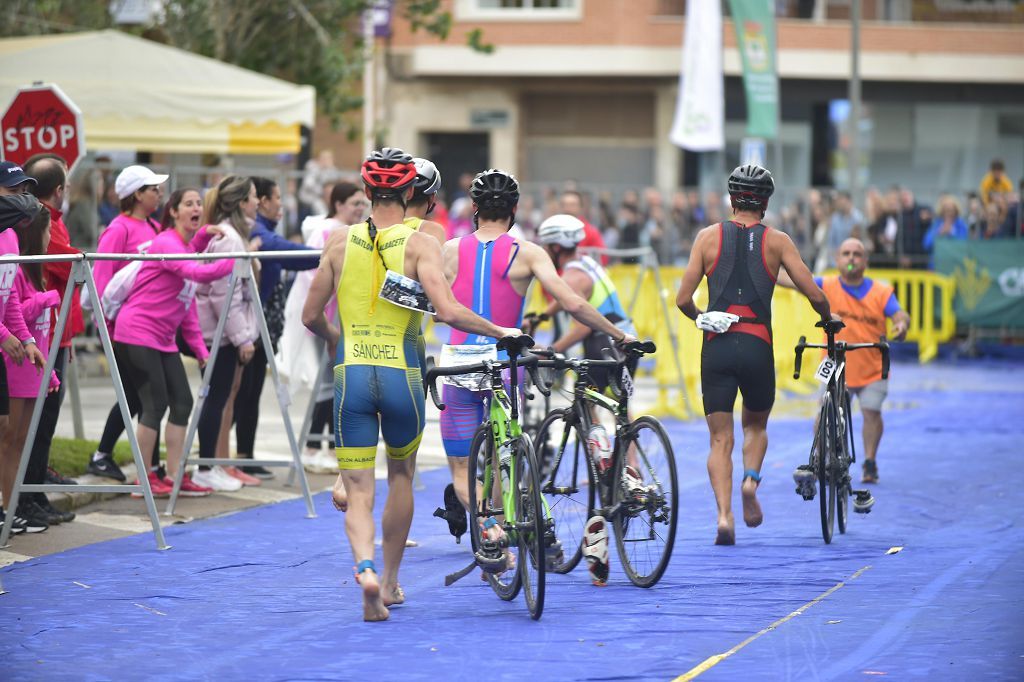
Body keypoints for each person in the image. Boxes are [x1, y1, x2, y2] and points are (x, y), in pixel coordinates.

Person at [301, 148, 521, 622]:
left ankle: (366, 571)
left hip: (352, 374)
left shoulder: (339, 241)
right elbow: (448, 311)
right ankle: (394, 582)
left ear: (365, 192)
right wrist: (501, 331)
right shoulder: (423, 243)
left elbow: (309, 316)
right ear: (408, 192)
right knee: (401, 476)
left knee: (357, 490)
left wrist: (340, 341)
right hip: (403, 374)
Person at [439, 171, 636, 584]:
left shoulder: (450, 249)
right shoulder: (527, 253)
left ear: (473, 209)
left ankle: (490, 531)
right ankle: (520, 531)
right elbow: (572, 302)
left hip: (459, 363)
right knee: (503, 456)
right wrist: (620, 334)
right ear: (513, 210)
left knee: (463, 467)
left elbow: (427, 302)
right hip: (505, 363)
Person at [674, 164, 832, 546]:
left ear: (731, 200)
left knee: (719, 440)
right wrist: (829, 319)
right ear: (765, 203)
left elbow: (682, 300)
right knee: (756, 427)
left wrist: (702, 318)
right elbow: (814, 293)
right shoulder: (778, 241)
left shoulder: (707, 238)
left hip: (718, 347)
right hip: (758, 344)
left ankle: (724, 517)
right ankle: (750, 482)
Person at [112, 188, 235, 497]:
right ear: (174, 212)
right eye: (189, 204)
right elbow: (195, 270)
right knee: (154, 405)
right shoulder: (166, 242)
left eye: (198, 204)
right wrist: (232, 260)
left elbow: (188, 310)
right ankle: (144, 477)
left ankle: (174, 474)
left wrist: (202, 351)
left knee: (182, 402)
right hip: (137, 333)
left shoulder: (185, 247)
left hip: (163, 339)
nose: (196, 208)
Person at [784, 238, 909, 486]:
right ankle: (818, 458)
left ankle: (870, 461)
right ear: (837, 260)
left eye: (857, 254)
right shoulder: (825, 285)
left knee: (871, 412)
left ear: (865, 261)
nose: (851, 258)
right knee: (823, 410)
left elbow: (899, 313)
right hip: (834, 363)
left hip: (872, 367)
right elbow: (791, 281)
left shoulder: (881, 292)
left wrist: (902, 324)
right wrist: (766, 264)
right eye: (846, 254)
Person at [228, 177, 320, 482]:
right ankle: (225, 458)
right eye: (275, 197)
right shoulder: (258, 233)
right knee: (239, 394)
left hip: (264, 327)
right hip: (250, 327)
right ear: (261, 201)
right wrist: (327, 253)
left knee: (249, 392)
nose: (280, 203)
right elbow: (283, 251)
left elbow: (294, 260)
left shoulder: (264, 231)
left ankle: (242, 456)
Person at [87, 165, 168, 482]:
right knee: (141, 395)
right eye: (153, 189)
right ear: (136, 194)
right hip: (123, 329)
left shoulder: (154, 226)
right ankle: (105, 455)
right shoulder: (118, 229)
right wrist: (106, 329)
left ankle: (143, 463)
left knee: (146, 397)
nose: (158, 194)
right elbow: (101, 281)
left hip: (151, 327)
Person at [281, 182, 367, 476]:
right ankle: (315, 446)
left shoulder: (349, 231)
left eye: (362, 203)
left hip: (340, 316)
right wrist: (326, 323)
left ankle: (326, 447)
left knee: (333, 380)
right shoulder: (330, 231)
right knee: (327, 381)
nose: (359, 208)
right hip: (325, 318)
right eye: (354, 203)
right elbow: (312, 277)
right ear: (338, 203)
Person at [189, 176, 263, 491]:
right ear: (241, 203)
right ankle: (207, 466)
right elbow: (224, 293)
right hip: (219, 333)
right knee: (216, 398)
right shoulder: (230, 239)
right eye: (254, 197)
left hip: (222, 330)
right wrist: (242, 337)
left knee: (221, 397)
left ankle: (215, 465)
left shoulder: (231, 236)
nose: (257, 202)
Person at [24, 154, 84, 523]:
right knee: (36, 424)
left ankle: (35, 492)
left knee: (44, 422)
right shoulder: (40, 222)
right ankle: (27, 496)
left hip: (57, 336)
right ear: (58, 190)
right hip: (43, 336)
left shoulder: (53, 222)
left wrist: (69, 339)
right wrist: (81, 256)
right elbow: (62, 262)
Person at [0, 195, 54, 535]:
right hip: (10, 359)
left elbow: (9, 303)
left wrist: (30, 341)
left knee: (12, 434)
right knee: (7, 437)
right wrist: (5, 335)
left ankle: (11, 506)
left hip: (17, 354)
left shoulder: (12, 241)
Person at [559, 190, 608, 264]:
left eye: (572, 205)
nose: (567, 209)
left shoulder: (591, 232)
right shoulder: (552, 230)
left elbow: (602, 258)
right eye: (564, 205)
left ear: (580, 207)